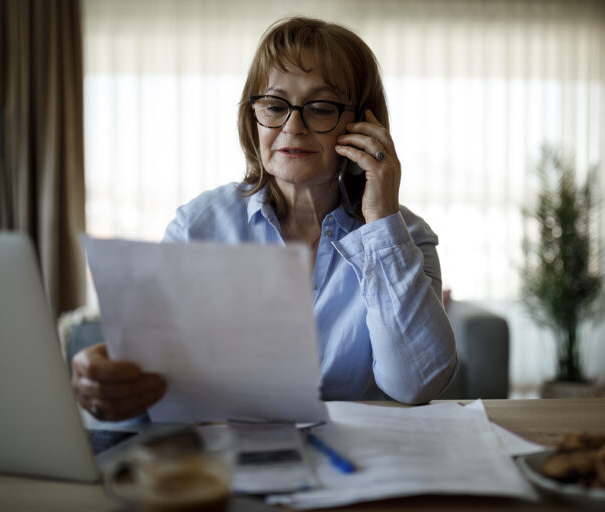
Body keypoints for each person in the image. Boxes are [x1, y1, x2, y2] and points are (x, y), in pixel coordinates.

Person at [72, 16, 457, 422]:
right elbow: (148, 368)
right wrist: (107, 375)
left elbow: (415, 384)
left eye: (321, 107)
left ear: (365, 125)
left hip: (356, 466)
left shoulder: (405, 236)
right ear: (252, 116)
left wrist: (380, 221)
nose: (293, 126)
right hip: (226, 461)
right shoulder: (198, 227)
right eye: (274, 106)